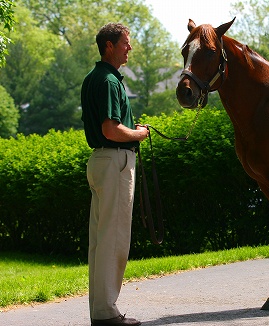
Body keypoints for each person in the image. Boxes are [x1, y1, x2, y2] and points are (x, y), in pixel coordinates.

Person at [81, 23, 148, 326]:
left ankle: (100, 311)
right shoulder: (109, 80)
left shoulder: (93, 78)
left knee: (100, 241)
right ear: (109, 46)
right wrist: (138, 134)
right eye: (125, 43)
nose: (129, 48)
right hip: (115, 162)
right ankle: (107, 313)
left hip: (100, 162)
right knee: (115, 239)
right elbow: (111, 129)